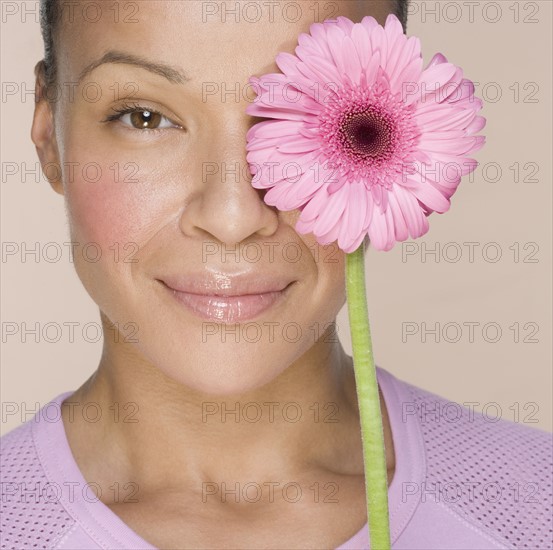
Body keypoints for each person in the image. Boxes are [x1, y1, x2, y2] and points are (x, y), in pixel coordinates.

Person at [1, 1, 551, 548]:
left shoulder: (533, 508)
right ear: (50, 135)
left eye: (298, 115)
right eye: (145, 117)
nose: (234, 217)